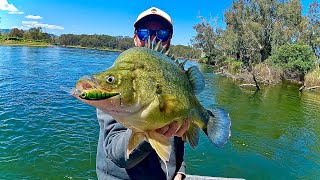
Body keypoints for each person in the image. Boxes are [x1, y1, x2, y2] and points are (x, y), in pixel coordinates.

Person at [96, 7, 189, 180]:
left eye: (161, 33)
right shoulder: (114, 83)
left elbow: (179, 134)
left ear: (169, 40)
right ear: (135, 37)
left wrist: (180, 169)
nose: (152, 38)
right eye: (144, 32)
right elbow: (117, 153)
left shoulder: (174, 78)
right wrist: (150, 133)